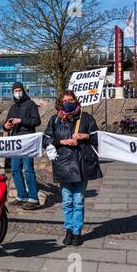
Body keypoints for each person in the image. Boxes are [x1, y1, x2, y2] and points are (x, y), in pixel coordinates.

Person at [43, 90, 102, 247]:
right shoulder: (55, 119)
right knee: (67, 200)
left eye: (71, 100)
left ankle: (77, 232)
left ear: (76, 101)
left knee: (79, 201)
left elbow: (99, 137)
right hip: (63, 164)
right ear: (61, 103)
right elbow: (46, 139)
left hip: (82, 165)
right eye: (65, 100)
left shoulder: (86, 118)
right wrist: (62, 141)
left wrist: (85, 136)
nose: (68, 102)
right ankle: (68, 230)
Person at [3, 82, 42, 211]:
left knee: (28, 169)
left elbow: (36, 121)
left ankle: (33, 198)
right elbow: (6, 124)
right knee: (15, 169)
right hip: (15, 142)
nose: (18, 92)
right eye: (15, 90)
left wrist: (21, 121)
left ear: (23, 91)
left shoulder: (30, 104)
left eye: (20, 90)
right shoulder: (13, 107)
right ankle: (21, 196)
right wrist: (6, 126)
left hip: (27, 141)